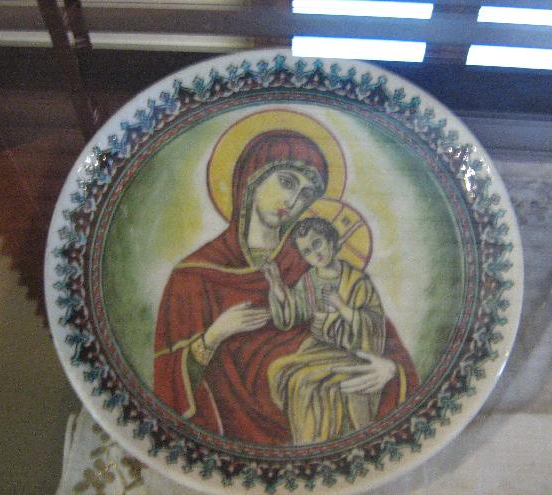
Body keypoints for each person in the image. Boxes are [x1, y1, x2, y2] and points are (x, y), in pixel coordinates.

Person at [153, 129, 418, 445]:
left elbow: (375, 325)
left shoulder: (312, 260)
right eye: (287, 182)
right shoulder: (195, 276)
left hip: (332, 395)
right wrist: (215, 335)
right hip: (244, 435)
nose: (293, 202)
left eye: (306, 195)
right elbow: (167, 382)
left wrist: (390, 369)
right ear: (253, 178)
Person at [262, 217, 387, 445]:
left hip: (352, 351)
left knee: (304, 381)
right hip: (319, 348)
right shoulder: (309, 280)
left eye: (317, 243)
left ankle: (314, 441)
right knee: (277, 370)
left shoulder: (356, 281)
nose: (315, 254)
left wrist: (341, 307)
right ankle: (309, 440)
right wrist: (277, 287)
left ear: (331, 240)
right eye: (307, 251)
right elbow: (295, 312)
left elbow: (374, 323)